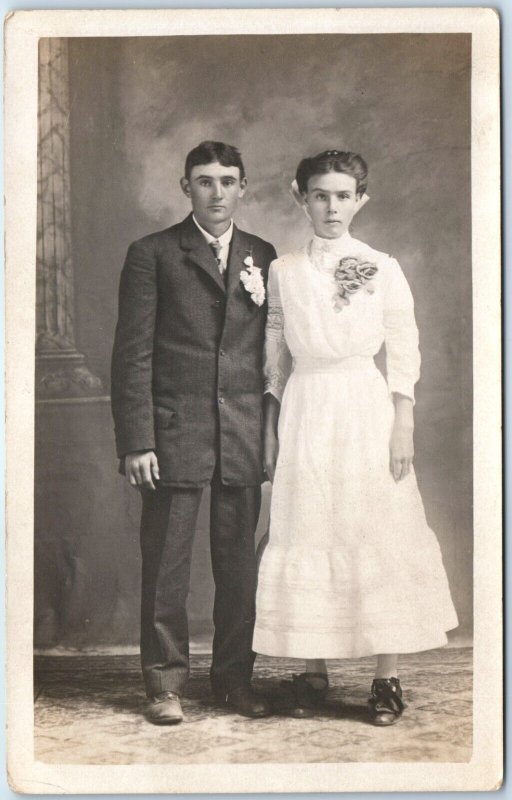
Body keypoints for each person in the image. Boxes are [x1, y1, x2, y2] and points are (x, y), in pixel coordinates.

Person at [254, 149, 458, 725]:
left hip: (364, 407)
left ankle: (385, 677)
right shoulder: (284, 270)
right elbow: (274, 347)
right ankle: (313, 670)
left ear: (360, 200)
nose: (332, 206)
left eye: (343, 195)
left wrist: (404, 422)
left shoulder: (380, 265)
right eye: (321, 195)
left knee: (376, 525)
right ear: (301, 198)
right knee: (309, 524)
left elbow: (404, 343)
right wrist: (270, 425)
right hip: (307, 406)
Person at [111, 141, 276, 724]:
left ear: (243, 187)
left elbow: (267, 352)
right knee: (166, 568)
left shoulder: (262, 253)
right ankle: (163, 685)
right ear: (186, 188)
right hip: (172, 433)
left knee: (238, 567)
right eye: (204, 181)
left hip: (241, 433)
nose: (216, 192)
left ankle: (233, 681)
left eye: (228, 181)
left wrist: (271, 431)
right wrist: (137, 439)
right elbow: (131, 356)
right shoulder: (152, 254)